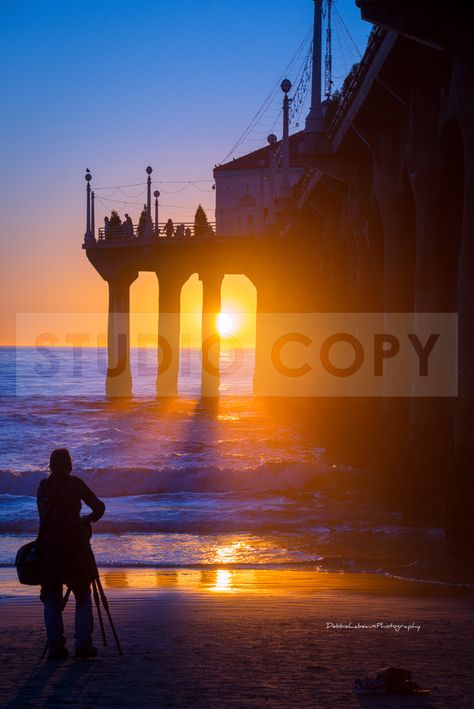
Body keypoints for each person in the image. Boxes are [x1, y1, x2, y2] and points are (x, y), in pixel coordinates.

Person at [37, 448, 105, 660]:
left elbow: (43, 516)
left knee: (51, 595)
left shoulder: (43, 486)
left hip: (49, 546)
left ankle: (56, 645)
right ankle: (83, 644)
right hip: (76, 545)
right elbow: (99, 507)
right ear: (69, 464)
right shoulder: (76, 483)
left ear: (50, 465)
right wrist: (86, 521)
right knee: (83, 593)